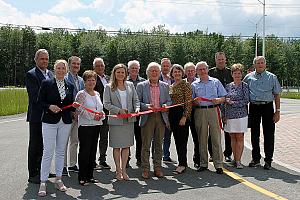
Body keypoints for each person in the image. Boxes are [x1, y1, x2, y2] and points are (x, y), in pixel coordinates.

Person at [37, 60, 76, 196]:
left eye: (63, 68)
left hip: (65, 122)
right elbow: (39, 102)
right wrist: (49, 106)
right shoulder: (46, 83)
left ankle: (59, 179)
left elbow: (70, 104)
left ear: (66, 70)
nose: (60, 70)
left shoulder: (70, 85)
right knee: (48, 151)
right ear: (54, 69)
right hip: (49, 121)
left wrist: (74, 106)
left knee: (60, 151)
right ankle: (43, 181)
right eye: (58, 68)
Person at [243, 56, 282, 170]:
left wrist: (277, 111)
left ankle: (268, 160)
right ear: (254, 65)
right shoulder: (248, 77)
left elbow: (277, 95)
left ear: (265, 64)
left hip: (268, 107)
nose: (260, 65)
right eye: (258, 63)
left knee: (269, 134)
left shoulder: (272, 77)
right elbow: (243, 92)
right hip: (254, 107)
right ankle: (255, 159)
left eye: (262, 63)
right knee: (254, 134)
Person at [103, 64, 140, 180]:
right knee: (117, 147)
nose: (120, 74)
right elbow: (106, 104)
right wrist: (119, 111)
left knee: (126, 146)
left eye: (122, 72)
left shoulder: (130, 85)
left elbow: (136, 100)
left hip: (129, 120)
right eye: (118, 72)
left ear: (126, 74)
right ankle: (118, 170)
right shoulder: (108, 87)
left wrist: (137, 109)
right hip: (116, 121)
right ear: (114, 73)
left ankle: (124, 170)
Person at [137, 62, 172, 179]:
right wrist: (146, 106)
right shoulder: (141, 86)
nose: (154, 72)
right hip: (148, 117)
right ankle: (145, 169)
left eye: (156, 70)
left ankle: (157, 168)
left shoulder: (165, 86)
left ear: (159, 72)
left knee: (158, 144)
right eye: (152, 70)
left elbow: (169, 101)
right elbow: (137, 102)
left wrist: (166, 105)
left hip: (161, 117)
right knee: (146, 145)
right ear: (147, 73)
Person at [192, 61, 227, 174]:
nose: (202, 71)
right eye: (200, 70)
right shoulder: (194, 85)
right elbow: (191, 102)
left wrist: (219, 100)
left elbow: (224, 97)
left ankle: (218, 164)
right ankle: (203, 163)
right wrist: (194, 102)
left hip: (214, 110)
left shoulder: (215, 82)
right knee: (202, 138)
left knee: (216, 138)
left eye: (204, 69)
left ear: (207, 69)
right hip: (200, 112)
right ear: (197, 72)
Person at [25, 49, 54, 184]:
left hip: (50, 117)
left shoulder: (51, 74)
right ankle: (33, 173)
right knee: (35, 145)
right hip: (37, 116)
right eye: (42, 59)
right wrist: (49, 106)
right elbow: (35, 97)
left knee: (46, 145)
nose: (45, 61)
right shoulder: (31, 75)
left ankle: (44, 170)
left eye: (46, 59)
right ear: (35, 60)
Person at [75, 70, 105, 186]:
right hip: (85, 126)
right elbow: (79, 110)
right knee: (84, 151)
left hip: (96, 126)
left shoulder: (97, 94)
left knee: (93, 151)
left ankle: (90, 176)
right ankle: (82, 177)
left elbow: (100, 108)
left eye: (93, 80)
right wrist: (93, 117)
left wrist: (100, 115)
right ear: (84, 82)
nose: (91, 82)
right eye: (89, 80)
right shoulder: (81, 94)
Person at [208, 52, 233, 162]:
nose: (221, 61)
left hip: (228, 105)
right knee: (213, 130)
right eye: (219, 59)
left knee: (228, 130)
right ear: (215, 60)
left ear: (225, 60)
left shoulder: (230, 72)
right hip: (215, 104)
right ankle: (212, 153)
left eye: (222, 59)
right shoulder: (210, 72)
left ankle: (228, 153)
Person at [224, 64, 250, 169]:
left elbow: (246, 100)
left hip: (241, 115)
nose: (237, 75)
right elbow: (224, 100)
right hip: (229, 115)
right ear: (232, 74)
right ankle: (235, 159)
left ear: (241, 74)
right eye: (235, 73)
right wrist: (223, 115)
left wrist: (233, 103)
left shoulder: (244, 86)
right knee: (232, 137)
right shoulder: (228, 86)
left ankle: (239, 161)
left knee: (239, 137)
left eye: (239, 73)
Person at [169, 64, 192, 174]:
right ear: (172, 74)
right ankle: (182, 162)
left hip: (181, 115)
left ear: (182, 73)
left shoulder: (185, 85)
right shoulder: (171, 85)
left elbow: (188, 103)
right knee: (177, 140)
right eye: (175, 71)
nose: (177, 73)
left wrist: (184, 117)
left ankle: (182, 164)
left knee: (182, 141)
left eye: (179, 71)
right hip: (172, 115)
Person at [63, 56, 84, 176]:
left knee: (75, 140)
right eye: (74, 64)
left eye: (78, 64)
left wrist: (78, 111)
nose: (76, 66)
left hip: (78, 115)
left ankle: (72, 164)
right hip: (67, 114)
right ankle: (63, 166)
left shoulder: (81, 80)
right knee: (64, 141)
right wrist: (71, 111)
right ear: (69, 65)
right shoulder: (64, 78)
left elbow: (83, 97)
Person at [127, 60, 146, 167]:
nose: (134, 70)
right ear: (128, 69)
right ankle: (126, 159)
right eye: (132, 68)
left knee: (140, 138)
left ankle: (139, 158)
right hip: (128, 114)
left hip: (140, 114)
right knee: (128, 138)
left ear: (139, 69)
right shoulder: (123, 81)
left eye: (136, 68)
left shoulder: (143, 82)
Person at [93, 58, 111, 170]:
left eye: (101, 65)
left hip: (108, 113)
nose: (100, 67)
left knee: (104, 137)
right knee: (94, 137)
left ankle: (102, 159)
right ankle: (92, 160)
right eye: (97, 66)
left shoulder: (108, 78)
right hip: (96, 113)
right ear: (94, 67)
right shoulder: (92, 78)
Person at [183, 62, 200, 168]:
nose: (190, 72)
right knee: (183, 139)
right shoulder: (181, 83)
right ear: (185, 72)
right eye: (188, 70)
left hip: (196, 113)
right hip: (184, 114)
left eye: (192, 70)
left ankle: (197, 159)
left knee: (197, 137)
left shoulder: (199, 82)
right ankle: (183, 162)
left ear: (195, 71)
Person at [159, 58, 176, 164]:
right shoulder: (156, 77)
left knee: (167, 134)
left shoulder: (174, 79)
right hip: (159, 110)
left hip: (171, 109)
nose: (165, 68)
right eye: (164, 66)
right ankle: (155, 154)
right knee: (157, 135)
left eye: (167, 66)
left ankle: (166, 155)